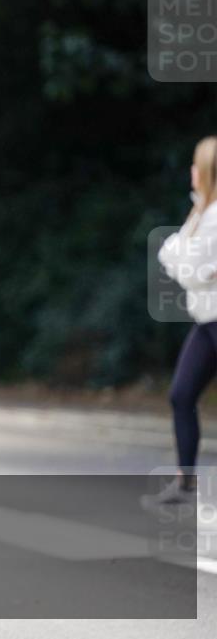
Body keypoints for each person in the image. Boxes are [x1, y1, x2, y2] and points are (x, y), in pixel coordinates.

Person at [151, 135, 217, 504]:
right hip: (207, 320)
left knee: (182, 395)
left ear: (207, 171)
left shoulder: (215, 217)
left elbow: (188, 269)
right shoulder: (202, 212)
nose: (191, 171)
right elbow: (181, 261)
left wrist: (180, 256)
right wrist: (183, 258)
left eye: (196, 165)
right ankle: (186, 481)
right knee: (181, 395)